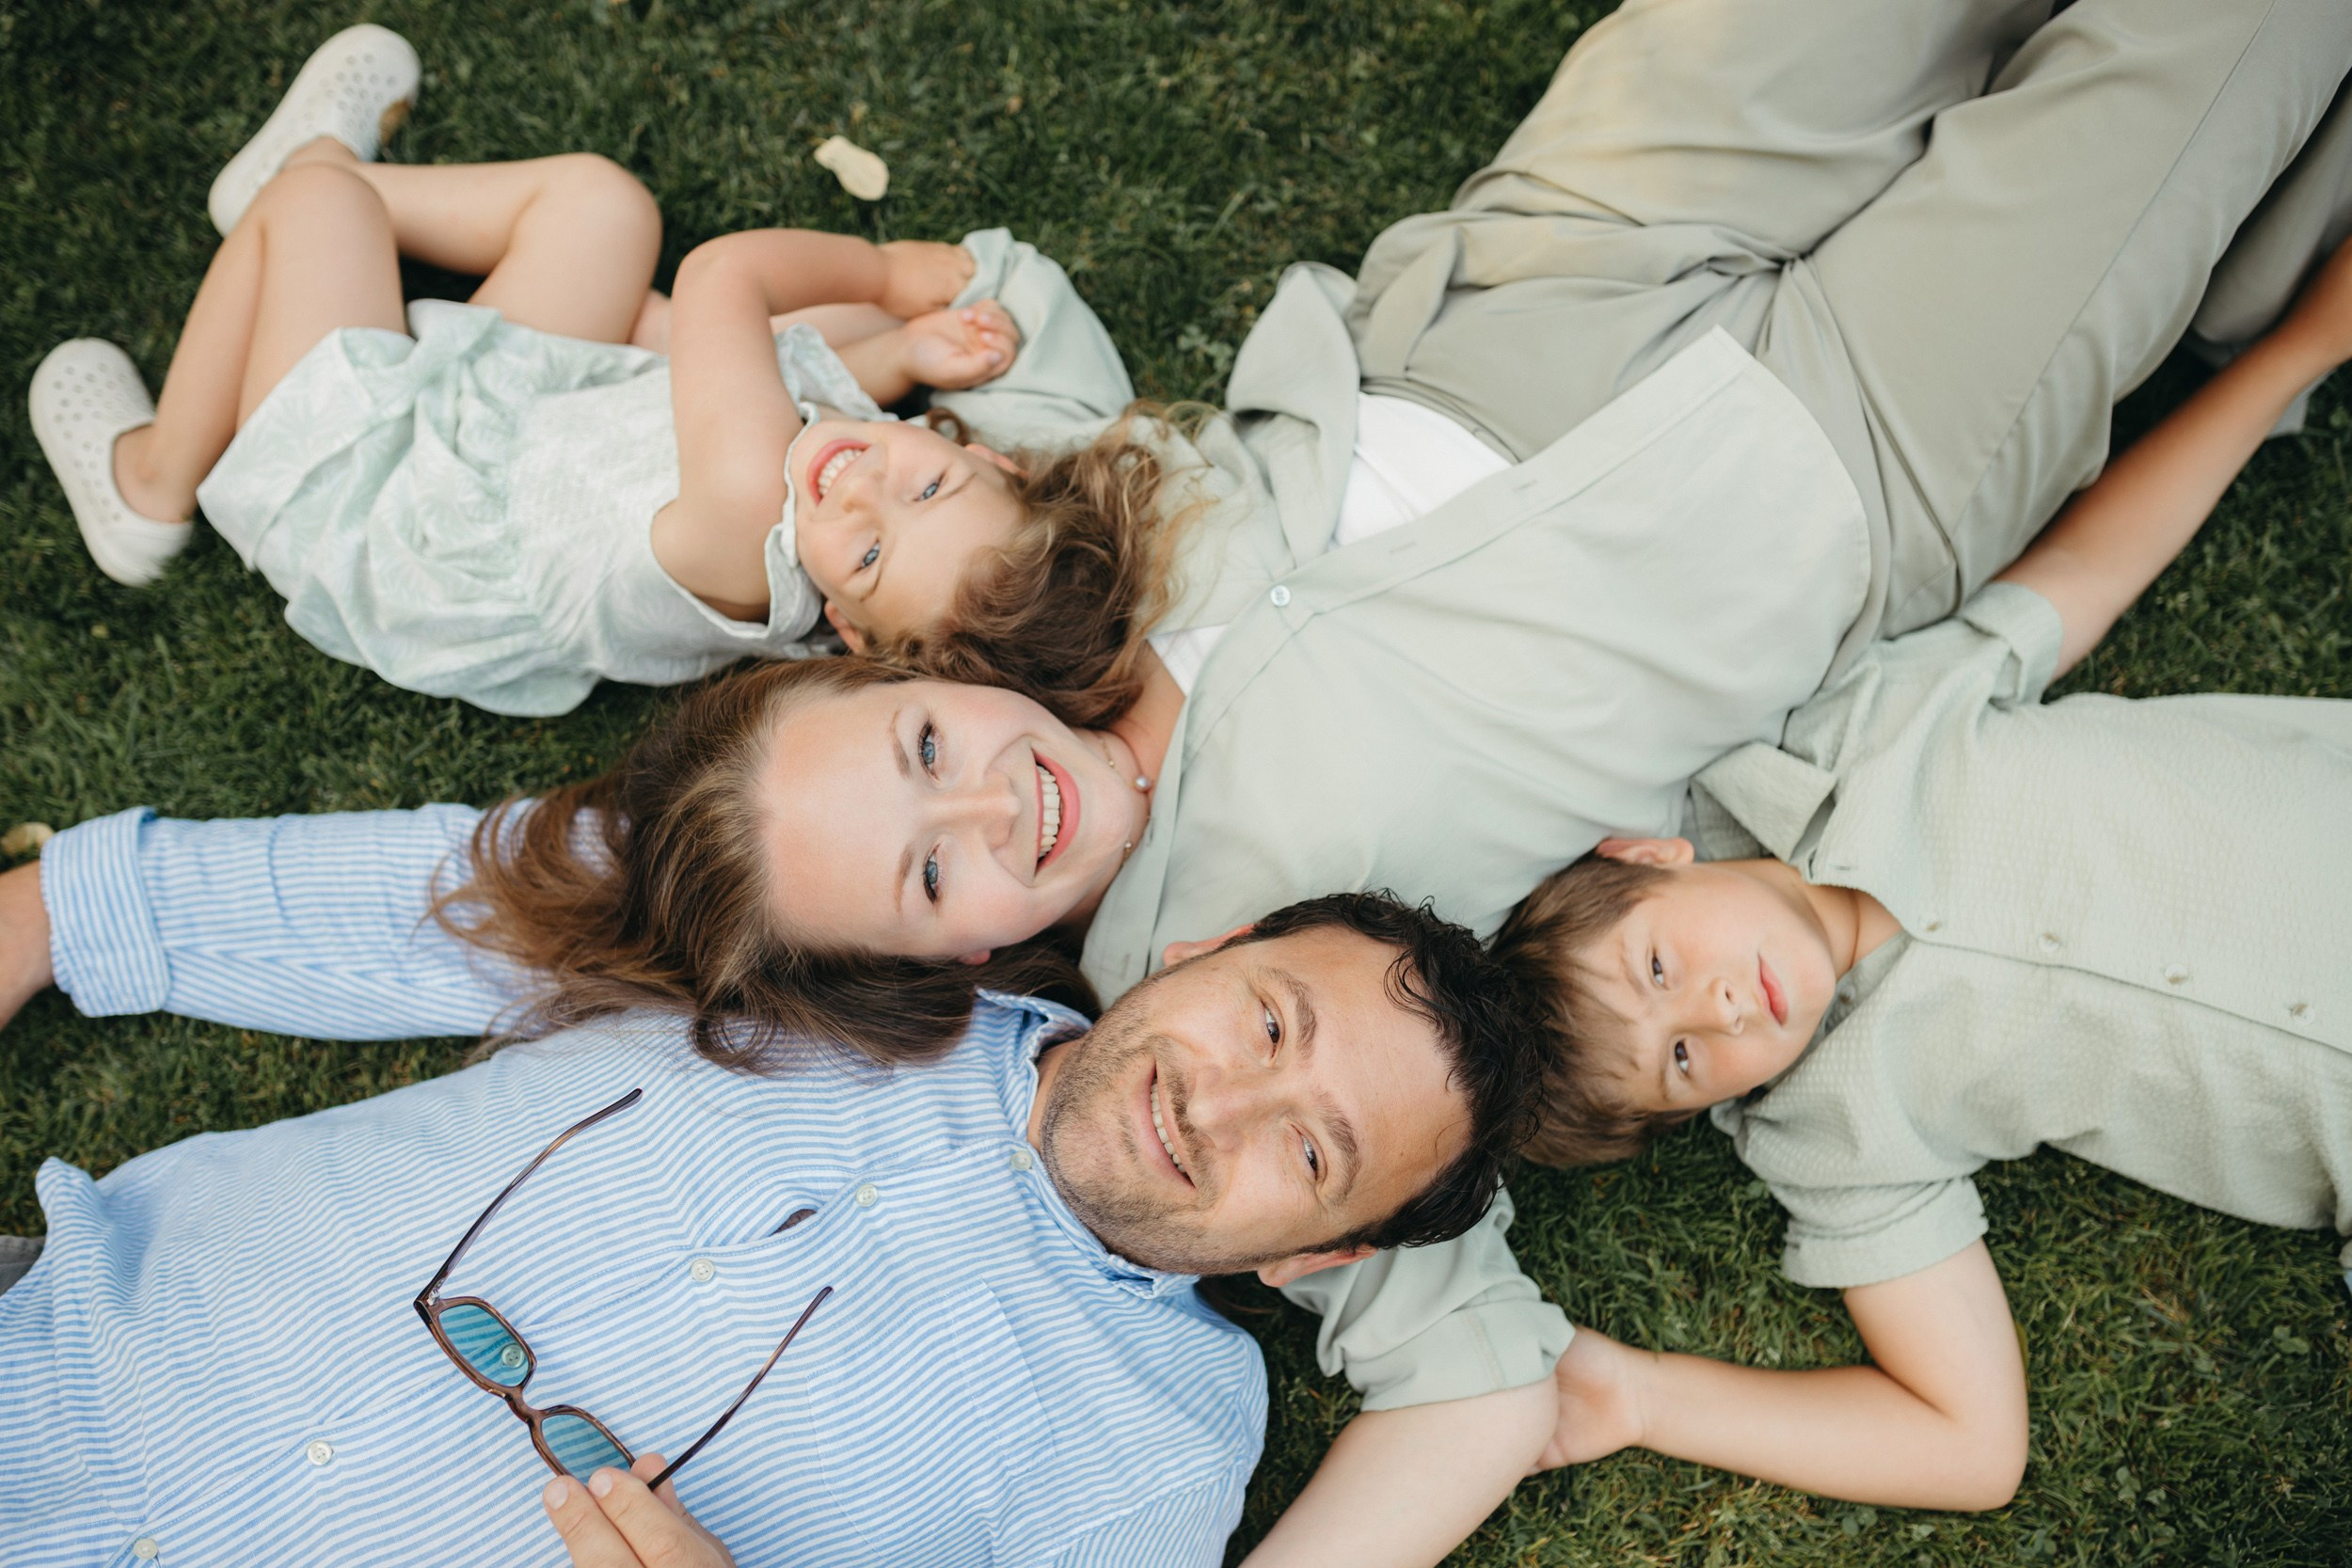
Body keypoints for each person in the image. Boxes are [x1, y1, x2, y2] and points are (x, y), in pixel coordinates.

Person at [12, 0, 2352, 1559]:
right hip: (1812, 484)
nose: (990, 817)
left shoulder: (1008, 604)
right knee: (2213, 51)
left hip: (1518, 293)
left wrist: (829, 345)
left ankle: (2244, 231)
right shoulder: (1189, 1249)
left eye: (927, 744)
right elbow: (1463, 1376)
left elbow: (529, 848)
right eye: (935, 870)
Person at [1486, 232, 2352, 1512]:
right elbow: (1967, 1444)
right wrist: (1643, 1394)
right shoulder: (1834, 1126)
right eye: (1678, 1060)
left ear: (1650, 855)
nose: (1714, 1013)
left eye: (1658, 964)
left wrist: (2301, 347)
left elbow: (2090, 569)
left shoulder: (1862, 729)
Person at [0, 891, 1538, 1567]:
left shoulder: (1163, 1452)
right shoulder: (863, 945)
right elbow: (468, 897)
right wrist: (58, 909)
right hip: (54, 1349)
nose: (1220, 1104)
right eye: (1267, 1020)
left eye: (1312, 1149)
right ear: (1207, 946)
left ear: (1314, 1256)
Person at [26, 25, 1192, 721]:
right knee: (602, 206)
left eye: (872, 551)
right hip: (526, 433)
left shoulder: (746, 507)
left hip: (383, 506)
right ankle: (287, 215)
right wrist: (893, 354)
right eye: (926, 482)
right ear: (989, 457)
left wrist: (887, 274)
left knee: (321, 201)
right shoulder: (822, 501)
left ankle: (153, 480)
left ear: (841, 621)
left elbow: (730, 278)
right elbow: (784, 394)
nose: (860, 490)